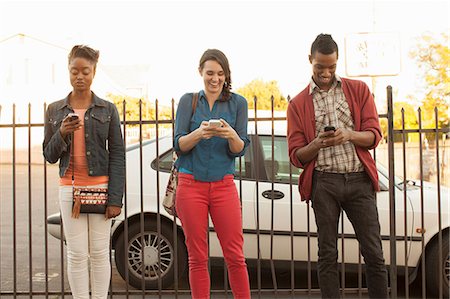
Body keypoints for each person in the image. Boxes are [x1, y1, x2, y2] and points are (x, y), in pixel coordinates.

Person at [287, 34, 388, 298]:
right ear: (311, 60)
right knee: (328, 253)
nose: (326, 72)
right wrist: (318, 143)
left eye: (331, 66)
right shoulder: (298, 103)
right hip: (325, 183)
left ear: (337, 61)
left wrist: (349, 134)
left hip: (358, 180)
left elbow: (374, 135)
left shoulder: (359, 90)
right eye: (320, 66)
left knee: (374, 253)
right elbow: (296, 156)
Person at [43, 45, 125, 299]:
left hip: (100, 189)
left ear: (94, 73)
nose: (80, 76)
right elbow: (49, 155)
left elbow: (118, 155)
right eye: (74, 71)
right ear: (68, 71)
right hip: (70, 190)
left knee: (100, 253)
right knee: (77, 254)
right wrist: (62, 134)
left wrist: (115, 198)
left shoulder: (107, 109)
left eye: (85, 71)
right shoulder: (55, 110)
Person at [174, 49, 251, 299]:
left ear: (226, 75)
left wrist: (230, 135)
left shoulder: (238, 103)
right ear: (200, 72)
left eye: (220, 73)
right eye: (210, 73)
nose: (215, 79)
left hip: (223, 185)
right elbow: (179, 145)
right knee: (197, 256)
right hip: (190, 184)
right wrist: (199, 133)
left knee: (235, 256)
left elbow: (239, 150)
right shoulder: (188, 101)